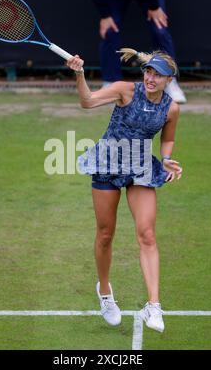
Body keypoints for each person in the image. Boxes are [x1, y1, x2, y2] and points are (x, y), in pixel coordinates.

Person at [66, 48, 183, 332]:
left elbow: (167, 140)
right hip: (107, 162)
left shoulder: (171, 108)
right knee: (105, 234)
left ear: (170, 80)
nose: (151, 78)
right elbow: (87, 101)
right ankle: (105, 293)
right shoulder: (125, 90)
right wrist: (80, 74)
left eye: (158, 74)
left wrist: (167, 160)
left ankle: (153, 305)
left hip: (140, 167)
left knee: (147, 233)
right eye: (148, 71)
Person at [82, 0, 187, 103]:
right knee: (109, 30)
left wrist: (154, 6)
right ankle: (111, 83)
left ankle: (169, 82)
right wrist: (105, 15)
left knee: (159, 29)